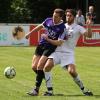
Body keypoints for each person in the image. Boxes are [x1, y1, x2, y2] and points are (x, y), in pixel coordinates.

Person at [43, 9, 93, 96]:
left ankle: (84, 90)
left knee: (72, 71)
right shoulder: (62, 25)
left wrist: (88, 26)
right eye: (67, 15)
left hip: (68, 53)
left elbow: (89, 36)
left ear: (74, 17)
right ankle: (49, 91)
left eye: (70, 15)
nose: (68, 17)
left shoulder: (78, 27)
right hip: (57, 51)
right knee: (47, 67)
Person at [25, 8, 67, 96]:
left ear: (60, 17)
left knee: (40, 66)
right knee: (34, 67)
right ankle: (48, 81)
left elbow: (59, 43)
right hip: (41, 45)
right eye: (53, 15)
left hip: (50, 47)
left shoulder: (62, 28)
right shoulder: (48, 20)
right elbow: (40, 26)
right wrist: (29, 33)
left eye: (56, 16)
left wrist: (48, 39)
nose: (53, 18)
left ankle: (36, 90)